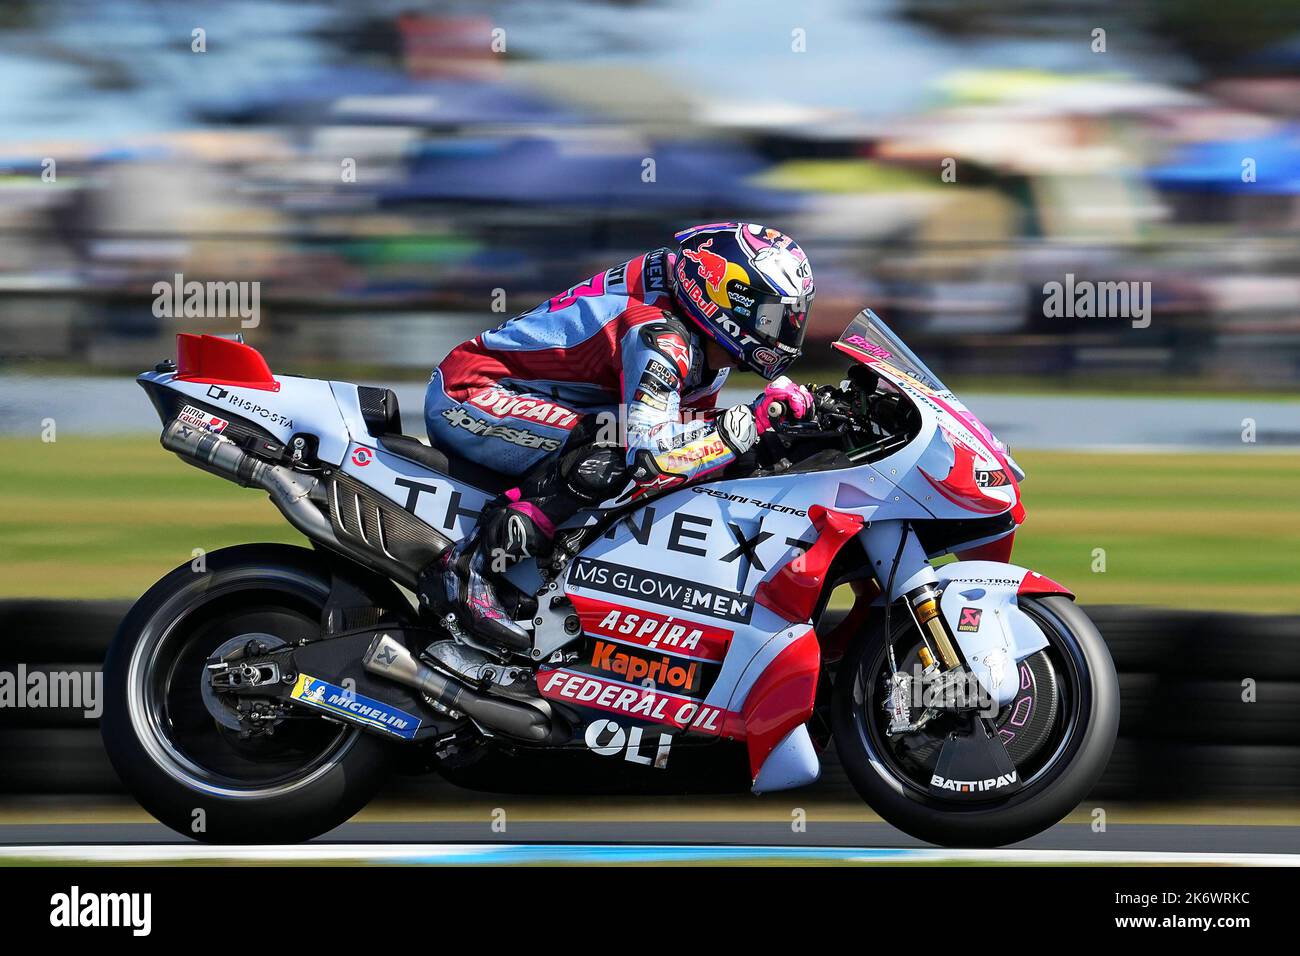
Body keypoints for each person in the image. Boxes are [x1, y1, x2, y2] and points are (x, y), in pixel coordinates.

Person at [423, 222, 815, 652]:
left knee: (688, 450)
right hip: (472, 393)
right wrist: (750, 423)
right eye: (773, 316)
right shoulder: (661, 336)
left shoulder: (698, 328)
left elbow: (690, 438)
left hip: (538, 397)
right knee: (611, 447)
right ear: (726, 297)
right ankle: (468, 570)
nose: (783, 331)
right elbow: (653, 454)